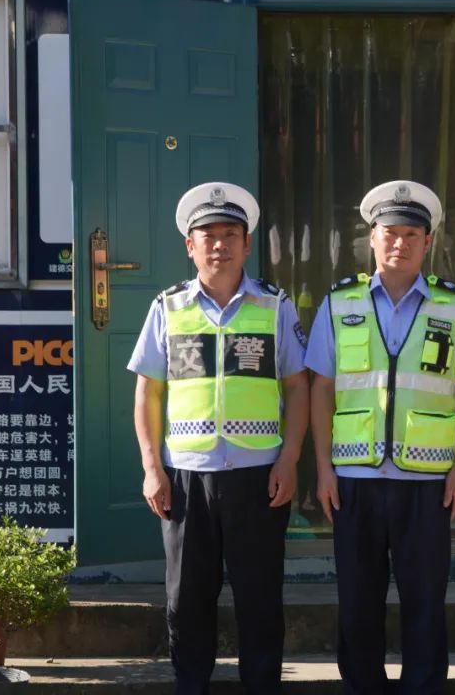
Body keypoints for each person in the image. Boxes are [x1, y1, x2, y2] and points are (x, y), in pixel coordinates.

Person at [306, 180, 455, 695]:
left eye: (411, 234)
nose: (400, 243)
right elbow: (321, 388)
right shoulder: (339, 303)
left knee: (425, 603)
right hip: (354, 479)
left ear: (427, 242)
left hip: (427, 481)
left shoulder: (454, 306)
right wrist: (323, 470)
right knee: (357, 603)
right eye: (390, 233)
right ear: (372, 238)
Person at [129, 182, 309, 694]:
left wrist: (289, 459)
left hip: (259, 477)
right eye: (208, 235)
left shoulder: (274, 306)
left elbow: (298, 388)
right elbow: (148, 393)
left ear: (247, 244)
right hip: (187, 478)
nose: (219, 245)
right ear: (190, 246)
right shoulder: (168, 308)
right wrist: (152, 468)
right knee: (186, 602)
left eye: (231, 234)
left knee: (260, 601)